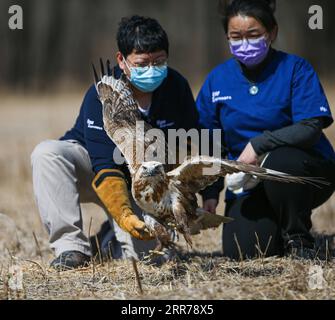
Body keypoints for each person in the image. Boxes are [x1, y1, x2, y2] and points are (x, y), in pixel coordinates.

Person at [31, 15, 199, 270]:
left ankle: (107, 240)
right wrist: (123, 213)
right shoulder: (103, 92)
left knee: (147, 260)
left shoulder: (177, 88)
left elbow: (189, 143)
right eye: (142, 63)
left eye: (159, 61)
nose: (152, 70)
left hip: (144, 184)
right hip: (96, 170)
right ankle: (71, 248)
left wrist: (197, 194)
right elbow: (103, 161)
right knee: (47, 153)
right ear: (121, 60)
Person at [197, 0, 335, 260]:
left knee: (281, 161)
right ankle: (274, 230)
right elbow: (209, 140)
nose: (244, 43)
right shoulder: (217, 79)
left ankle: (298, 240)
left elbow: (310, 128)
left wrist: (260, 145)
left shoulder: (295, 69)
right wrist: (210, 192)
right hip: (248, 180)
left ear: (272, 33)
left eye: (253, 34)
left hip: (303, 172)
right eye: (236, 37)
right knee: (244, 252)